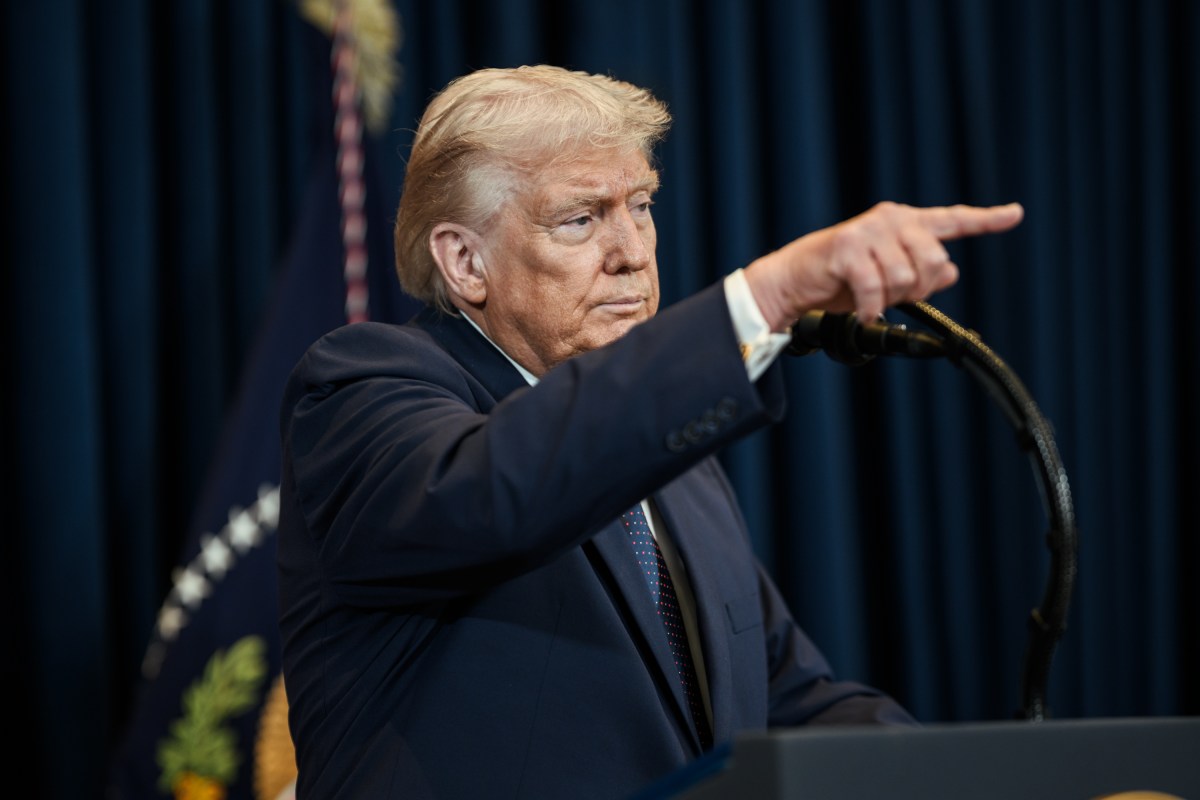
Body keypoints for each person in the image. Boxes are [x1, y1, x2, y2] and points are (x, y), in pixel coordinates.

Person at [276, 64, 1023, 799]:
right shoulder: (361, 388)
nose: (632, 252)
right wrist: (765, 298)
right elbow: (492, 489)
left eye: (641, 207)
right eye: (582, 218)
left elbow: (788, 702)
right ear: (466, 261)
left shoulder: (676, 466)